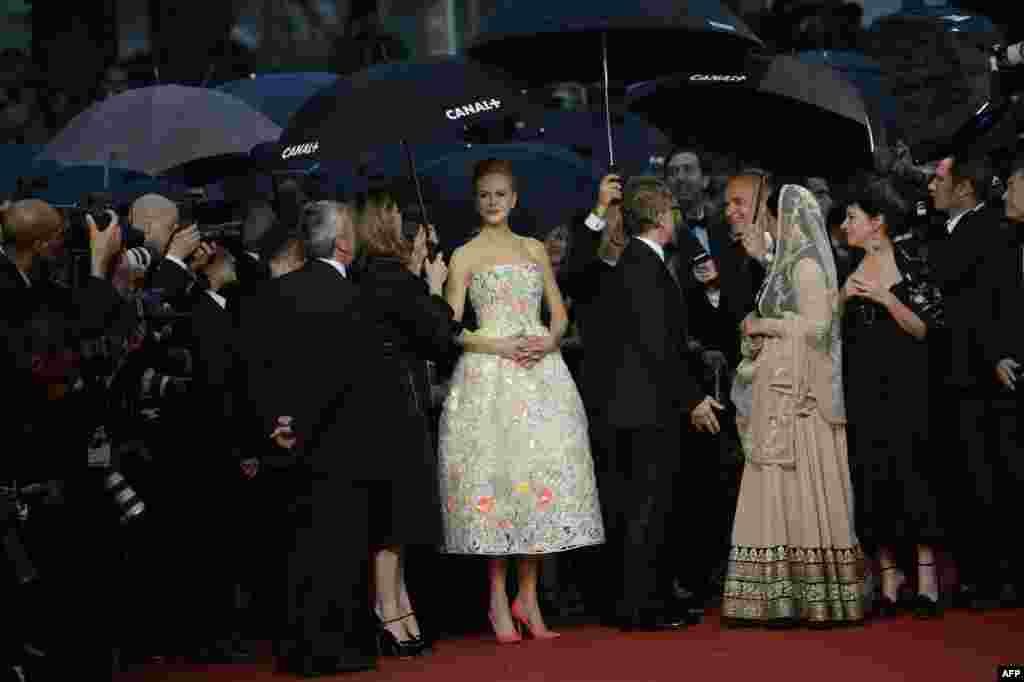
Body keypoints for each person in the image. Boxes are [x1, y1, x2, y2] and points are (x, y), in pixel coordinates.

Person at [438, 158, 604, 642]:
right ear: (477, 200)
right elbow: (450, 328)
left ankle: (527, 598)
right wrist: (499, 345)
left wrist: (549, 341)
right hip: (489, 377)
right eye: (485, 194)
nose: (493, 202)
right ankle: (496, 600)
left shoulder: (534, 249)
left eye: (501, 194)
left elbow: (558, 315)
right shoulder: (464, 255)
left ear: (514, 199)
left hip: (540, 376)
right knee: (499, 483)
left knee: (535, 485)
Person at [233, 199, 376, 677]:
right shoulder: (354, 298)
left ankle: (301, 649)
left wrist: (274, 426)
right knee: (343, 551)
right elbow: (359, 380)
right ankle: (345, 649)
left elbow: (253, 368)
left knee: (295, 550)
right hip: (343, 442)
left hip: (285, 442)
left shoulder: (273, 293)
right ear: (342, 242)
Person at [723, 182, 865, 628]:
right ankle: (779, 593)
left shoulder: (805, 266)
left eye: (774, 215)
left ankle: (803, 591)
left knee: (798, 481)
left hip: (800, 395)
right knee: (777, 481)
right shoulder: (787, 264)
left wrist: (765, 323)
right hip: (778, 387)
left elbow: (818, 327)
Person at [585, 176, 722, 631]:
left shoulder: (636, 262)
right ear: (663, 218)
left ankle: (651, 598)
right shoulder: (644, 267)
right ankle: (641, 607)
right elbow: (657, 346)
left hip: (636, 407)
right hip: (646, 409)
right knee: (647, 508)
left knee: (645, 507)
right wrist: (693, 399)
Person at [354, 191, 460, 656]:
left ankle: (400, 605)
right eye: (397, 217)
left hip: (386, 406)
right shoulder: (388, 277)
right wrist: (434, 284)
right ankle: (388, 611)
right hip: (396, 406)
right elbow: (439, 335)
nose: (404, 224)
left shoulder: (372, 274)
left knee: (396, 517)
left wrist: (417, 271)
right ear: (384, 223)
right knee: (393, 517)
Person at [839, 176, 945, 619]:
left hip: (907, 390)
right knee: (871, 479)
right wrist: (840, 301)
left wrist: (885, 298)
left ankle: (926, 577)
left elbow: (926, 328)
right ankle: (887, 578)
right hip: (862, 393)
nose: (845, 225)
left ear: (877, 222)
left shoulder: (912, 262)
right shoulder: (848, 269)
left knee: (913, 475)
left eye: (852, 217)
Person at [926, 155, 1014, 609]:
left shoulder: (988, 230)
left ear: (963, 189)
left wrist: (1000, 354)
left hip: (979, 374)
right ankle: (979, 574)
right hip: (956, 371)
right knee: (967, 474)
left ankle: (995, 578)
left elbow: (998, 298)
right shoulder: (951, 231)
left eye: (939, 179)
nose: (930, 186)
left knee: (986, 475)